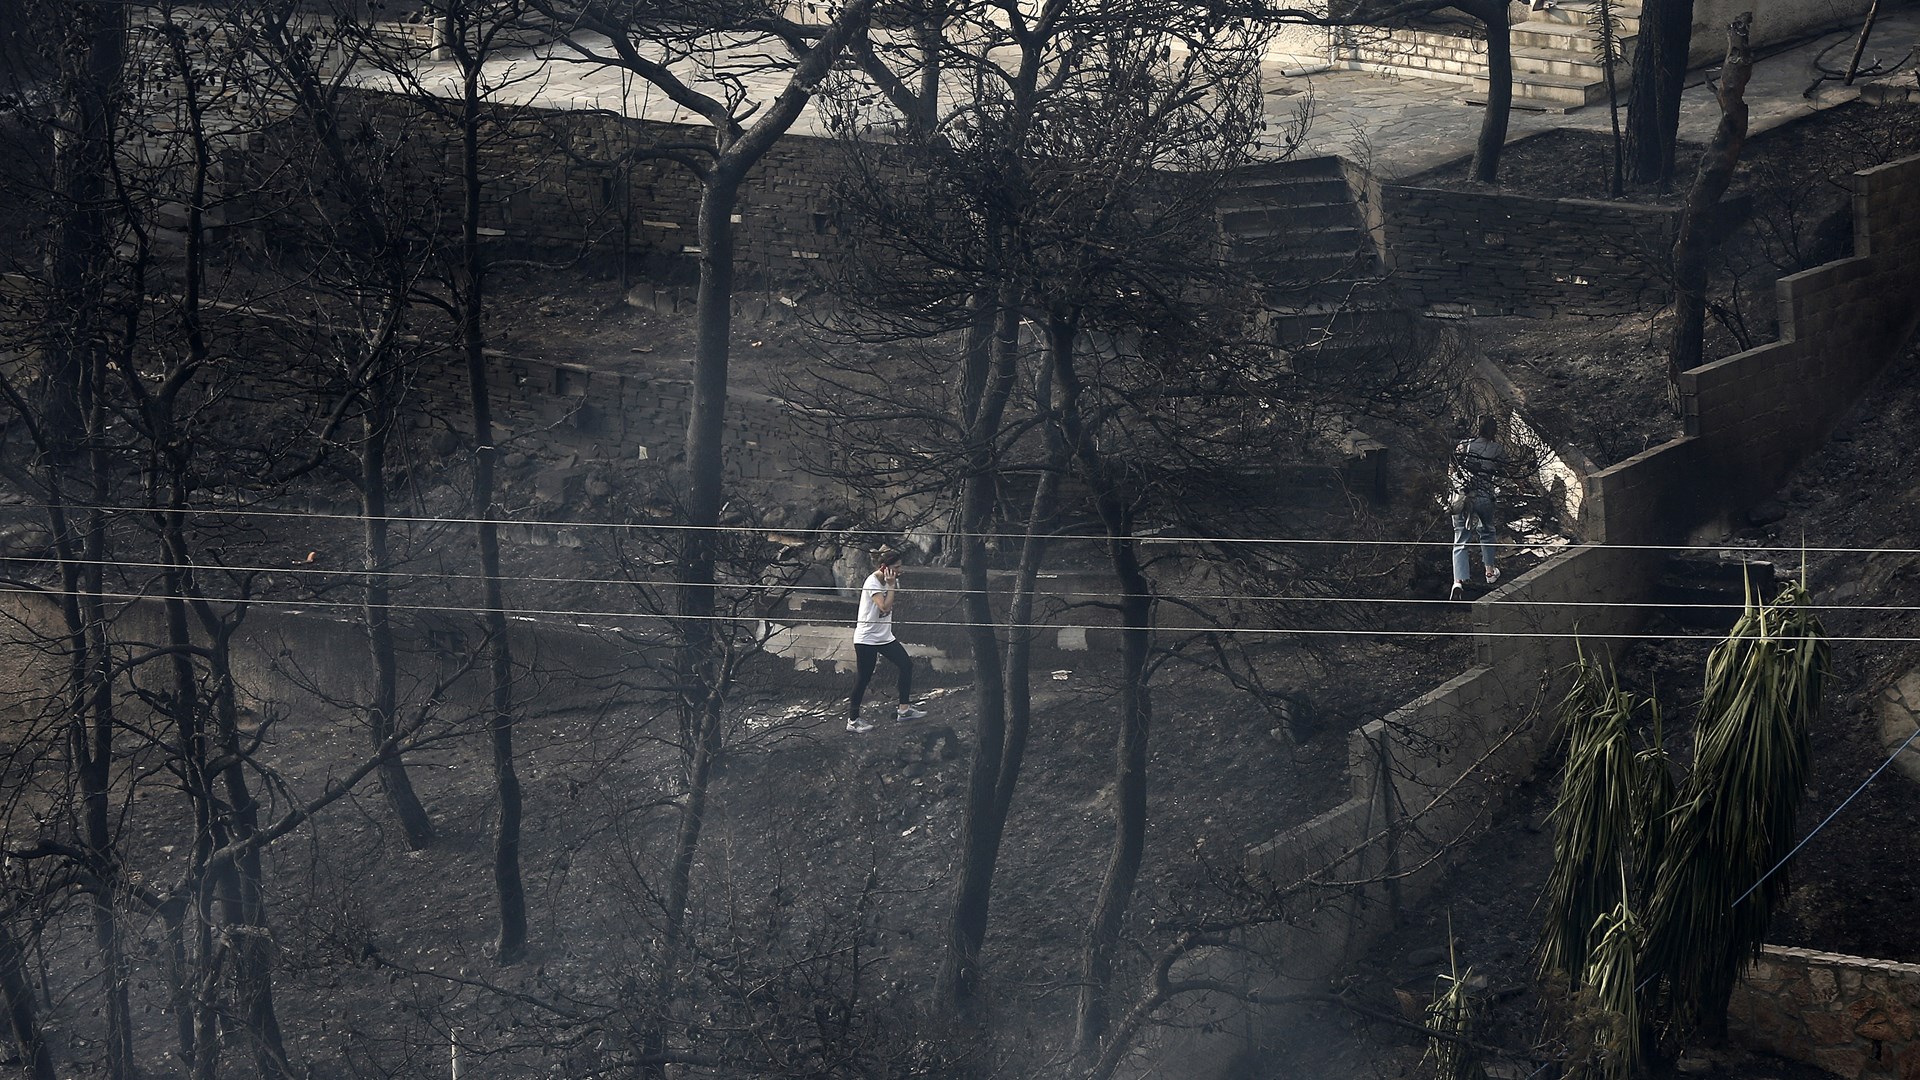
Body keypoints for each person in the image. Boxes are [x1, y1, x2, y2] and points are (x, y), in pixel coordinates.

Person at [847, 547, 928, 732]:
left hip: (884, 636)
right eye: (897, 567)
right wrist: (891, 586)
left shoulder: (891, 581)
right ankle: (852, 721)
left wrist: (892, 584)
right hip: (866, 638)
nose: (901, 571)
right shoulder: (873, 582)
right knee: (863, 678)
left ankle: (904, 709)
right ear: (885, 567)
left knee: (906, 665)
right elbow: (884, 607)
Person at [1449, 415, 1506, 602]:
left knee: (1461, 539)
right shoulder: (1497, 449)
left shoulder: (1463, 445)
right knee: (1487, 531)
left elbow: (1451, 470)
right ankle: (1489, 571)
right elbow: (1506, 470)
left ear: (1477, 428)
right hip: (1484, 498)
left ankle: (1458, 580)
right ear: (1494, 431)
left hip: (1463, 497)